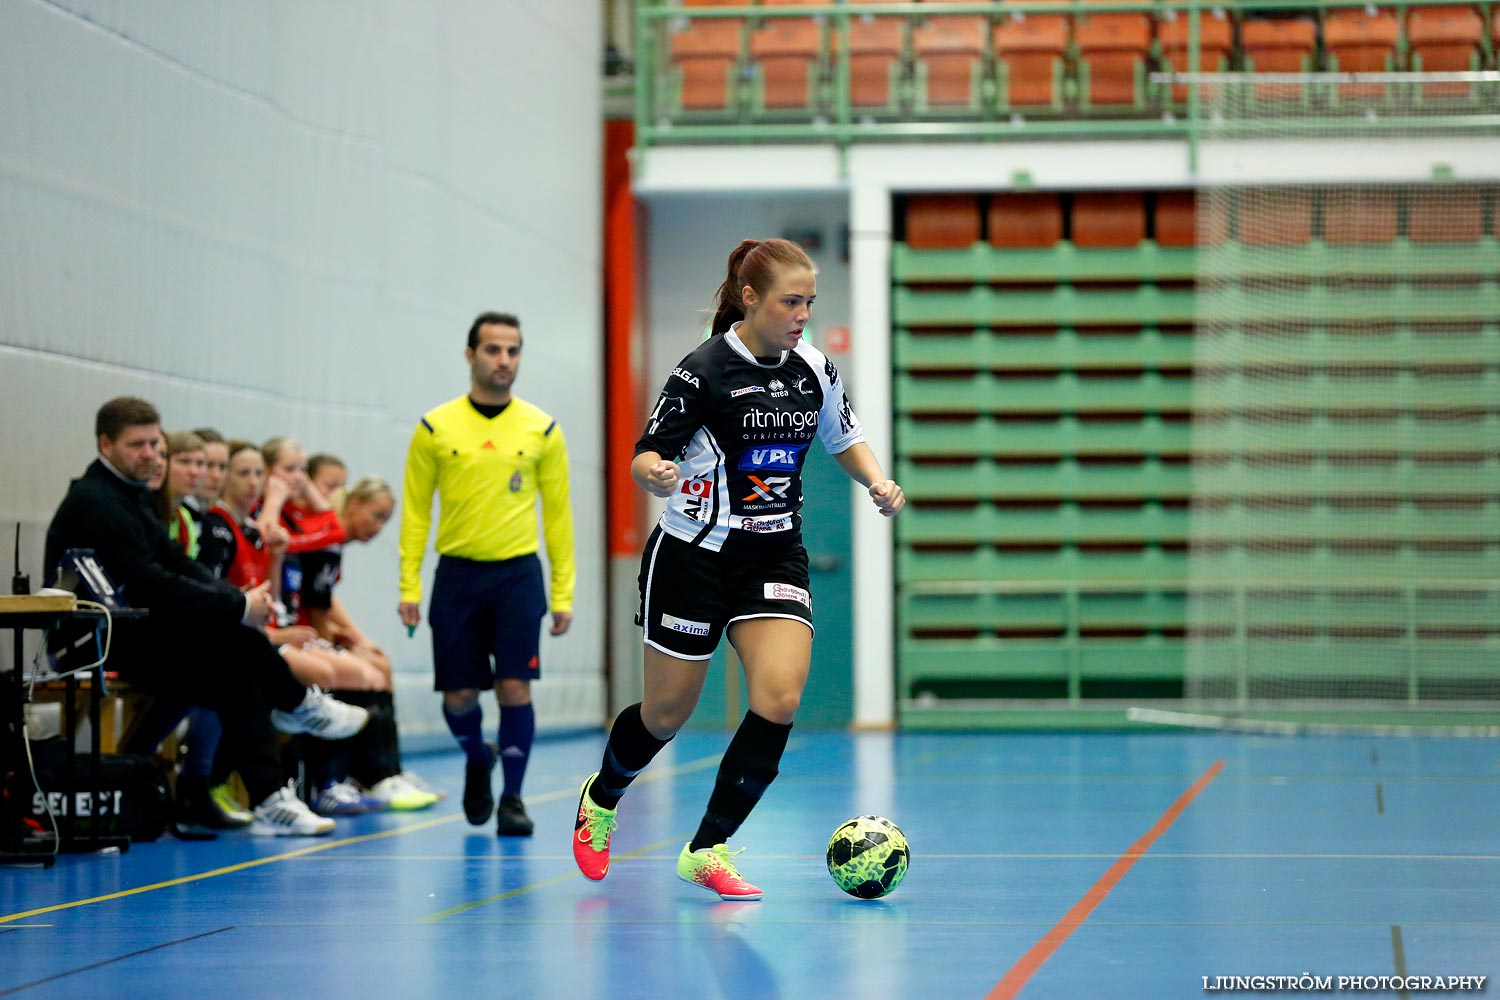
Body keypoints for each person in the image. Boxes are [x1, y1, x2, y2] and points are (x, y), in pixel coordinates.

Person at [569, 238, 905, 900]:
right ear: (750, 299)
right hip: (692, 554)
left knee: (779, 697)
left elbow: (844, 435)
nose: (803, 313)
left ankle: (707, 848)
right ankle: (603, 795)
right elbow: (647, 451)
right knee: (667, 713)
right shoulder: (703, 370)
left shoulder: (813, 367)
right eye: (791, 301)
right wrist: (657, 474)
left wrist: (876, 481)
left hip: (773, 552)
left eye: (810, 301)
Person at [44, 398, 371, 837]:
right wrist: (236, 607)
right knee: (236, 644)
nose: (149, 455)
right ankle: (296, 708)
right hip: (96, 642)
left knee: (237, 666)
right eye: (137, 445)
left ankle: (271, 794)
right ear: (105, 443)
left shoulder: (130, 495)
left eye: (154, 444)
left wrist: (237, 599)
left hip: (137, 632)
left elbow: (178, 563)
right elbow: (149, 582)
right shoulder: (98, 501)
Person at [399, 311, 577, 837]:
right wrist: (409, 584)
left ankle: (514, 800)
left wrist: (563, 592)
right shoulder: (435, 427)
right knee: (458, 697)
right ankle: (479, 756)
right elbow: (414, 513)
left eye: (513, 350)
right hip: (456, 577)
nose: (504, 360)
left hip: (518, 577)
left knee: (514, 687)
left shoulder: (542, 428)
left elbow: (559, 517)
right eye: (493, 350)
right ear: (471, 354)